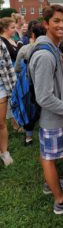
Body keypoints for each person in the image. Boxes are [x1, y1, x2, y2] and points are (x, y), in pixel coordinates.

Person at [29, 4, 63, 214]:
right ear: (46, 24)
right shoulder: (45, 55)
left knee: (48, 155)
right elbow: (44, 97)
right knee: (48, 158)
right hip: (50, 117)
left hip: (52, 115)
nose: (62, 25)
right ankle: (60, 202)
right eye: (56, 21)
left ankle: (50, 184)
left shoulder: (52, 48)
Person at [15, 22, 46, 146]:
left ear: (32, 34)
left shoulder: (25, 48)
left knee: (28, 108)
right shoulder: (49, 48)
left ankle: (28, 137)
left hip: (29, 84)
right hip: (45, 83)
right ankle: (45, 134)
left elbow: (17, 67)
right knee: (44, 107)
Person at [0, 17, 23, 132]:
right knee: (11, 98)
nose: (15, 30)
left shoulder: (11, 38)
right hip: (9, 73)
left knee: (16, 98)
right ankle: (15, 124)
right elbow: (15, 54)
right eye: (12, 27)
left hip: (16, 72)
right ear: (4, 28)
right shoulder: (2, 41)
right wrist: (19, 43)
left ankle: (18, 121)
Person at [0, 38, 16, 166]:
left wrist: (13, 88)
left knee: (1, 122)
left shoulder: (0, 43)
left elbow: (8, 65)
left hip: (1, 86)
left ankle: (4, 152)